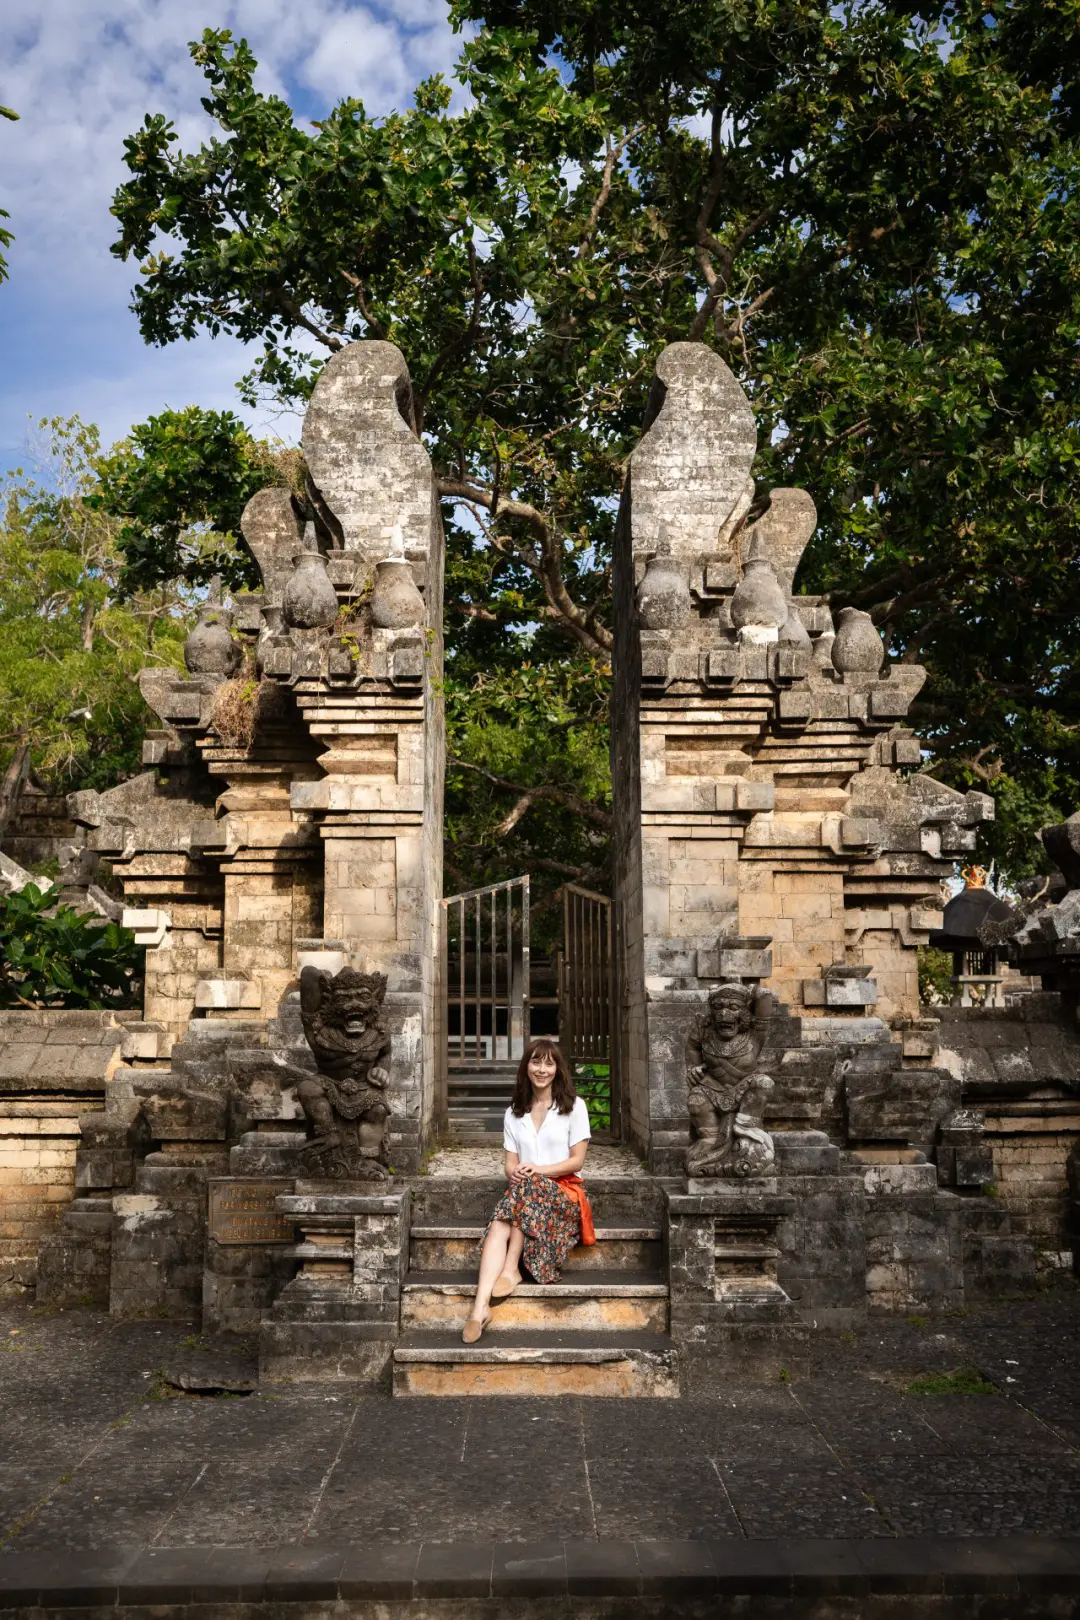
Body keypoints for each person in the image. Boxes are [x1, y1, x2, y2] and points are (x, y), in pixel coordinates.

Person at [462, 1038, 594, 1343]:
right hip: (527, 1195)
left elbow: (577, 1161)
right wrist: (517, 1170)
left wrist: (536, 1170)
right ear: (527, 1067)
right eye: (536, 1062)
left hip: (564, 1196)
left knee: (526, 1189)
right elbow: (510, 1165)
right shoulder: (514, 1112)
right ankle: (479, 1308)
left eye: (549, 1063)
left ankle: (511, 1268)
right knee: (500, 1222)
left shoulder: (574, 1107)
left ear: (558, 1070)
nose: (542, 1069)